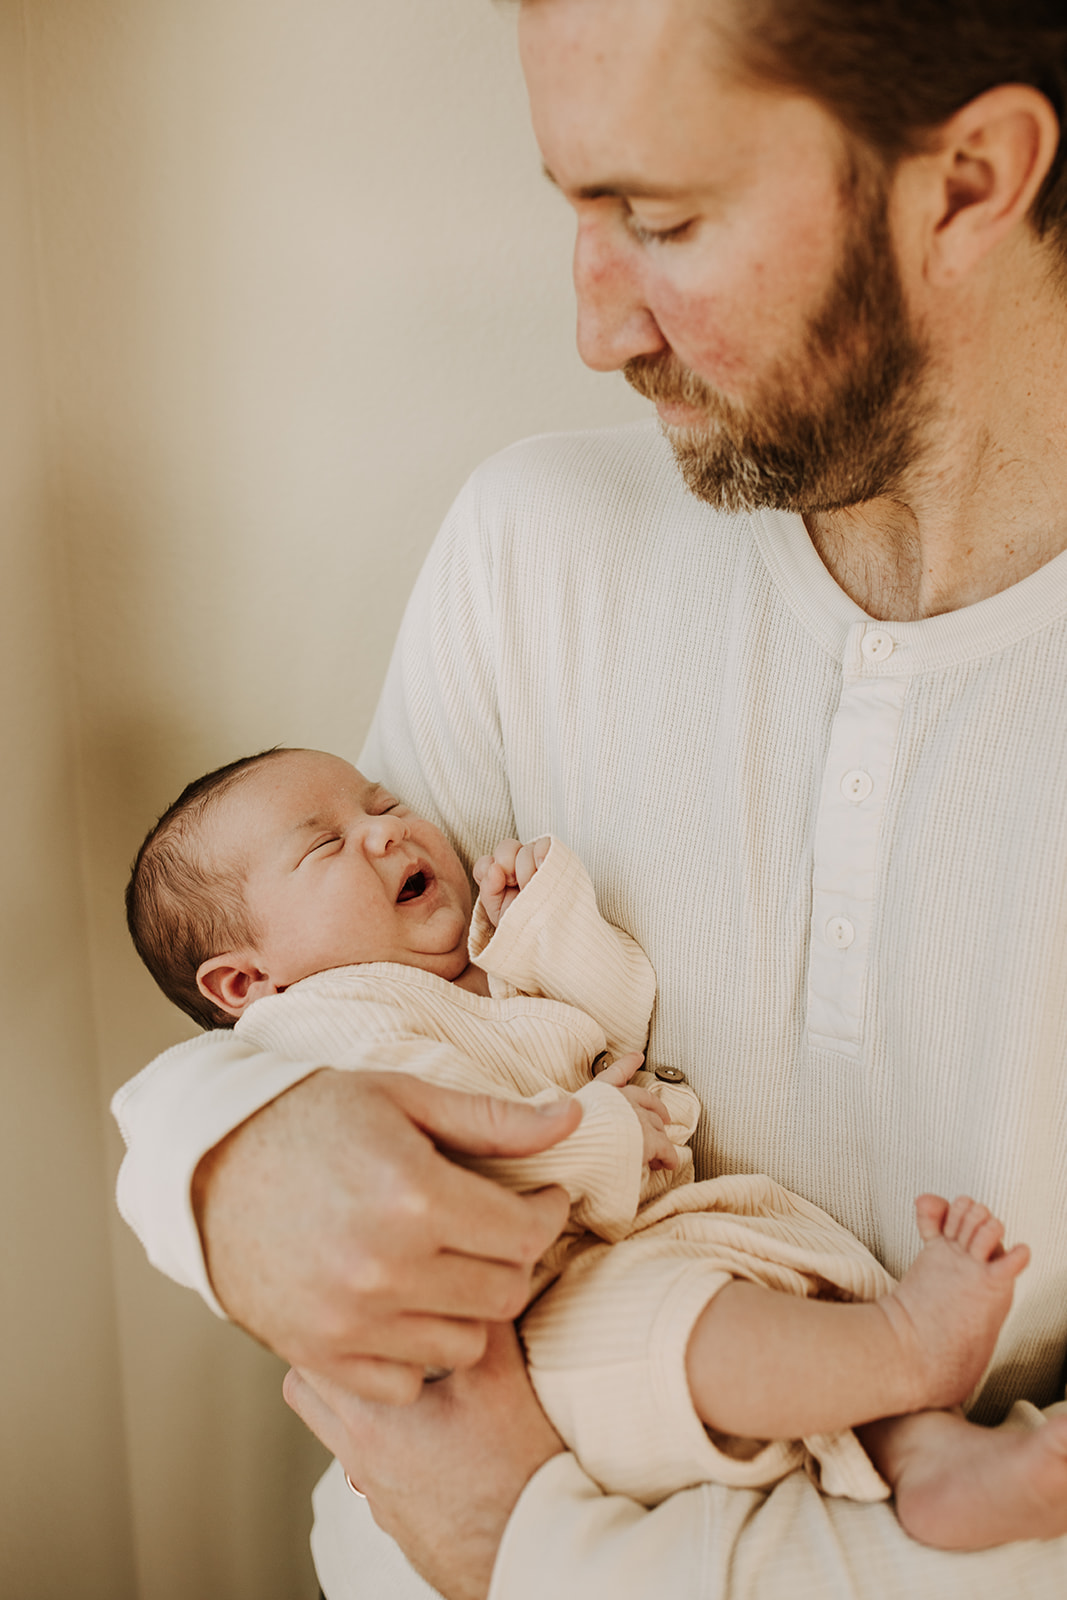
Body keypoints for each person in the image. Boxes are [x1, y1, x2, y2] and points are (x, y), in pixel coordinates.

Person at [111, 1, 1067, 1596]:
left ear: (966, 179)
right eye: (572, 206)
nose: (596, 323)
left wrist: (523, 1546)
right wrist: (211, 1173)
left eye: (660, 219)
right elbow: (322, 1013)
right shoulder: (536, 545)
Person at [125, 743, 1051, 1546]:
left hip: (660, 1234)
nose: (386, 832)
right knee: (663, 1328)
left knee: (768, 1304)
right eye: (325, 844)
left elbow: (615, 1026)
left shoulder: (473, 974)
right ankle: (902, 1348)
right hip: (537, 1308)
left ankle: (934, 1462)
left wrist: (543, 926)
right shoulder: (320, 1032)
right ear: (246, 980)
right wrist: (607, 1130)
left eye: (384, 803)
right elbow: (460, 1153)